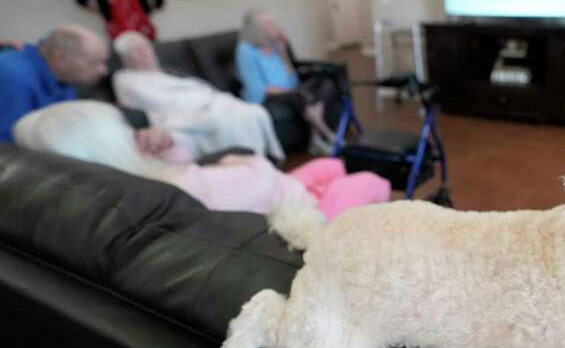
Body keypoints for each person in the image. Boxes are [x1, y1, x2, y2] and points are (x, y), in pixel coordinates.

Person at [13, 101, 391, 220]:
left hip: (265, 192)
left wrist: (167, 150)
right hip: (295, 211)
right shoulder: (180, 189)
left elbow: (187, 167)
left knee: (331, 166)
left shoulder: (133, 184)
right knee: (370, 180)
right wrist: (233, 161)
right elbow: (259, 175)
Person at [113, 31, 286, 162]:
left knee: (252, 112)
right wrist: (202, 104)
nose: (144, 53)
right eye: (136, 51)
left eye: (146, 48)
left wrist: (210, 100)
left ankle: (261, 161)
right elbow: (159, 101)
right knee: (226, 121)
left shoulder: (165, 73)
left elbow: (199, 87)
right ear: (125, 58)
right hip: (184, 113)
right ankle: (245, 164)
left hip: (208, 102)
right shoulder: (125, 79)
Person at [235, 9, 337, 152]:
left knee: (326, 83)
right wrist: (291, 91)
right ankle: (327, 134)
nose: (275, 26)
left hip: (288, 90)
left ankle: (316, 128)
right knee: (300, 96)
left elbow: (291, 77)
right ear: (256, 30)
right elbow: (255, 87)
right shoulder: (245, 50)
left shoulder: (273, 44)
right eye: (269, 24)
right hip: (265, 95)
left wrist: (283, 52)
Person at [0, 24, 108, 142]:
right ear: (60, 58)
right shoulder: (15, 78)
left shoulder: (64, 75)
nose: (104, 71)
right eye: (94, 63)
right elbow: (7, 146)